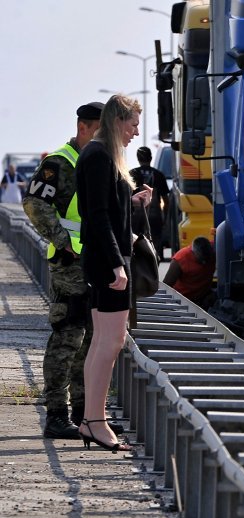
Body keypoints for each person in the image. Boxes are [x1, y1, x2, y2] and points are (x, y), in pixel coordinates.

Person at [22, 102, 106, 439]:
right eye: (101, 130)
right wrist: (61, 238)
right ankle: (57, 414)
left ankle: (83, 413)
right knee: (68, 338)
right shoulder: (60, 162)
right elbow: (34, 203)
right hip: (69, 264)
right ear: (84, 127)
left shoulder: (96, 160)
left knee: (90, 341)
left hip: (94, 263)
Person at [75, 94, 151, 453]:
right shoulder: (99, 155)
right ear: (117, 120)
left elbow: (107, 207)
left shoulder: (101, 155)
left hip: (106, 258)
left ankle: (92, 419)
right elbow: (97, 215)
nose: (137, 131)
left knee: (103, 342)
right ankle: (96, 421)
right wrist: (117, 265)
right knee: (111, 342)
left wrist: (133, 201)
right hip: (108, 262)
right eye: (133, 123)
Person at [130, 146, 169, 261]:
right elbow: (166, 200)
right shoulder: (159, 175)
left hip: (135, 216)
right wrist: (165, 217)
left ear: (138, 158)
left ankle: (139, 271)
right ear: (151, 158)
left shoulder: (131, 174)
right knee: (155, 244)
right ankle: (154, 271)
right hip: (154, 215)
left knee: (135, 244)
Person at [163, 236, 216, 309]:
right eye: (201, 260)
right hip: (183, 300)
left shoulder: (214, 250)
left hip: (203, 298)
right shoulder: (180, 259)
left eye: (207, 260)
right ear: (193, 253)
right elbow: (166, 285)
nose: (204, 263)